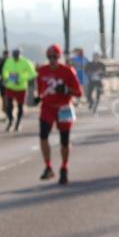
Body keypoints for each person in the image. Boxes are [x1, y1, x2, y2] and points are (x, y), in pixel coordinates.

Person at [34, 44, 82, 185]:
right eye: (49, 57)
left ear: (59, 57)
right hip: (47, 108)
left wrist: (67, 89)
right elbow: (41, 89)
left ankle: (64, 168)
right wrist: (39, 97)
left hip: (63, 108)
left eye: (55, 57)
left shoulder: (68, 71)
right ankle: (48, 167)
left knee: (64, 141)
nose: (52, 60)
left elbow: (79, 93)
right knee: (43, 136)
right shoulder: (42, 71)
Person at [1, 47, 36, 133]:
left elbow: (32, 74)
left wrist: (22, 79)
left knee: (20, 106)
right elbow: (5, 71)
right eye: (15, 56)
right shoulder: (9, 61)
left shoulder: (26, 62)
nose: (16, 58)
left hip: (21, 88)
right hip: (11, 86)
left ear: (20, 55)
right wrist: (8, 77)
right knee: (9, 105)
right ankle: (11, 120)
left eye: (17, 56)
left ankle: (18, 123)